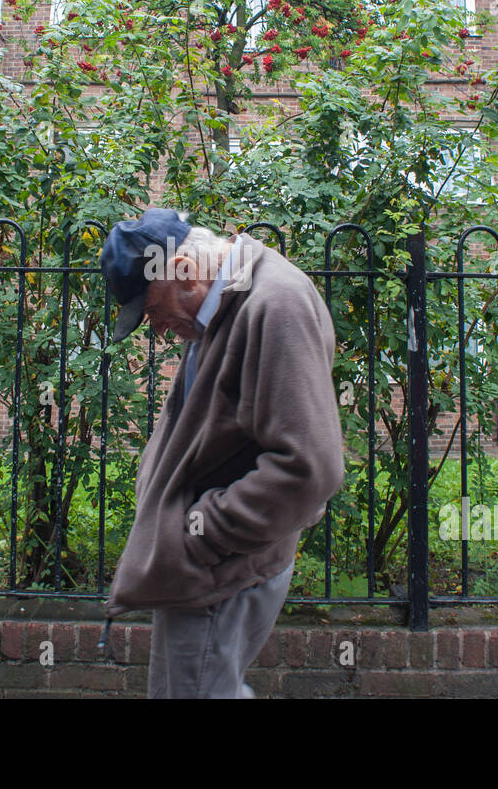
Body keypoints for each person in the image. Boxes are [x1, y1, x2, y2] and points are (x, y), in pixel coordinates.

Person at [98, 207, 344, 698]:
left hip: (221, 569)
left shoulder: (274, 304)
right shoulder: (223, 307)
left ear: (181, 270)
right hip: (208, 567)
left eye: (151, 309)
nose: (160, 330)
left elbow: (309, 468)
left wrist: (201, 535)